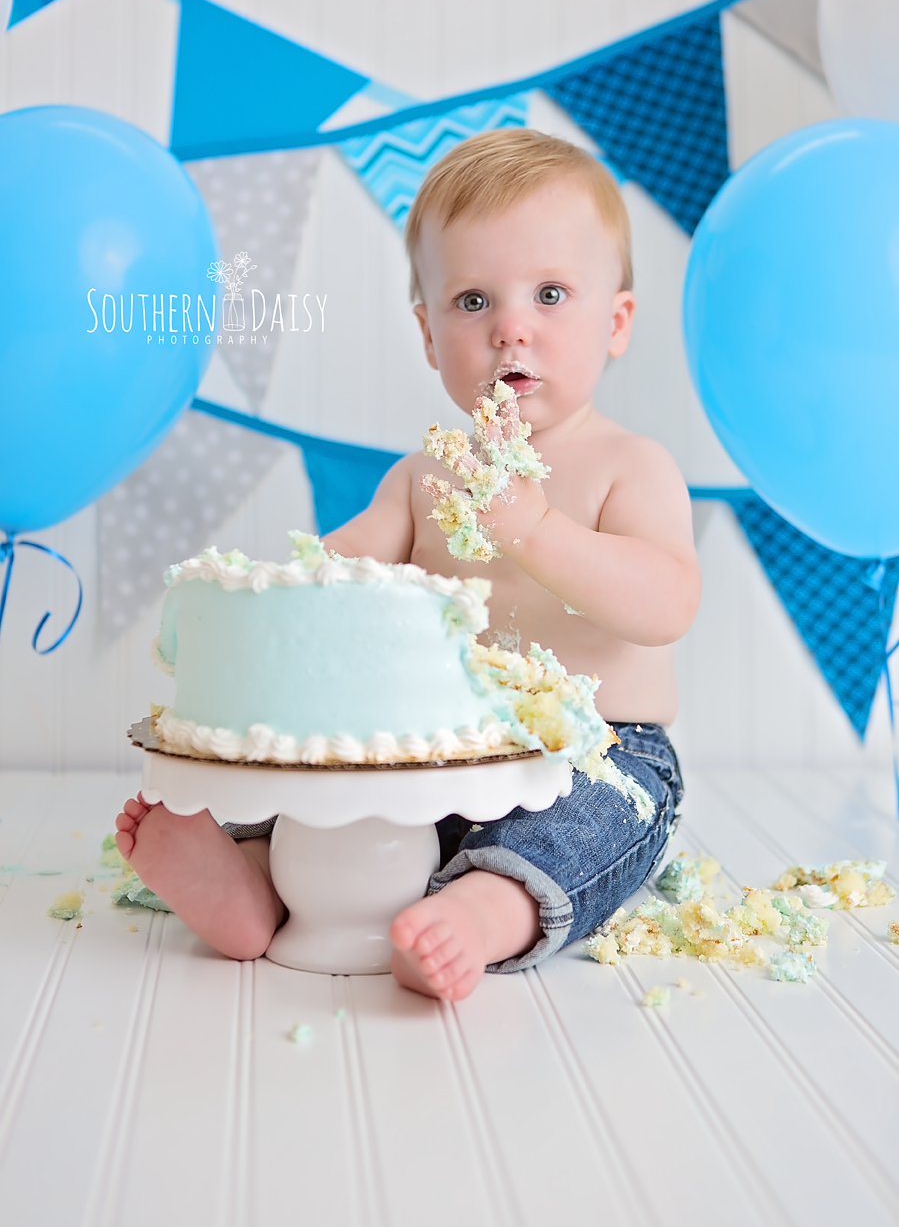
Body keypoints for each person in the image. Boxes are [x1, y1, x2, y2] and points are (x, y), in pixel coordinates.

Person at [115, 129, 700, 1001]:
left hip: (595, 751)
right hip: (429, 755)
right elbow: (339, 580)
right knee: (329, 802)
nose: (511, 328)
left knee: (585, 832)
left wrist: (534, 529)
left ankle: (482, 915)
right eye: (472, 301)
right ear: (428, 336)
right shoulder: (425, 479)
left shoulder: (629, 466)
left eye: (548, 294)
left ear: (614, 323)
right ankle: (251, 880)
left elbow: (665, 604)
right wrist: (271, 601)